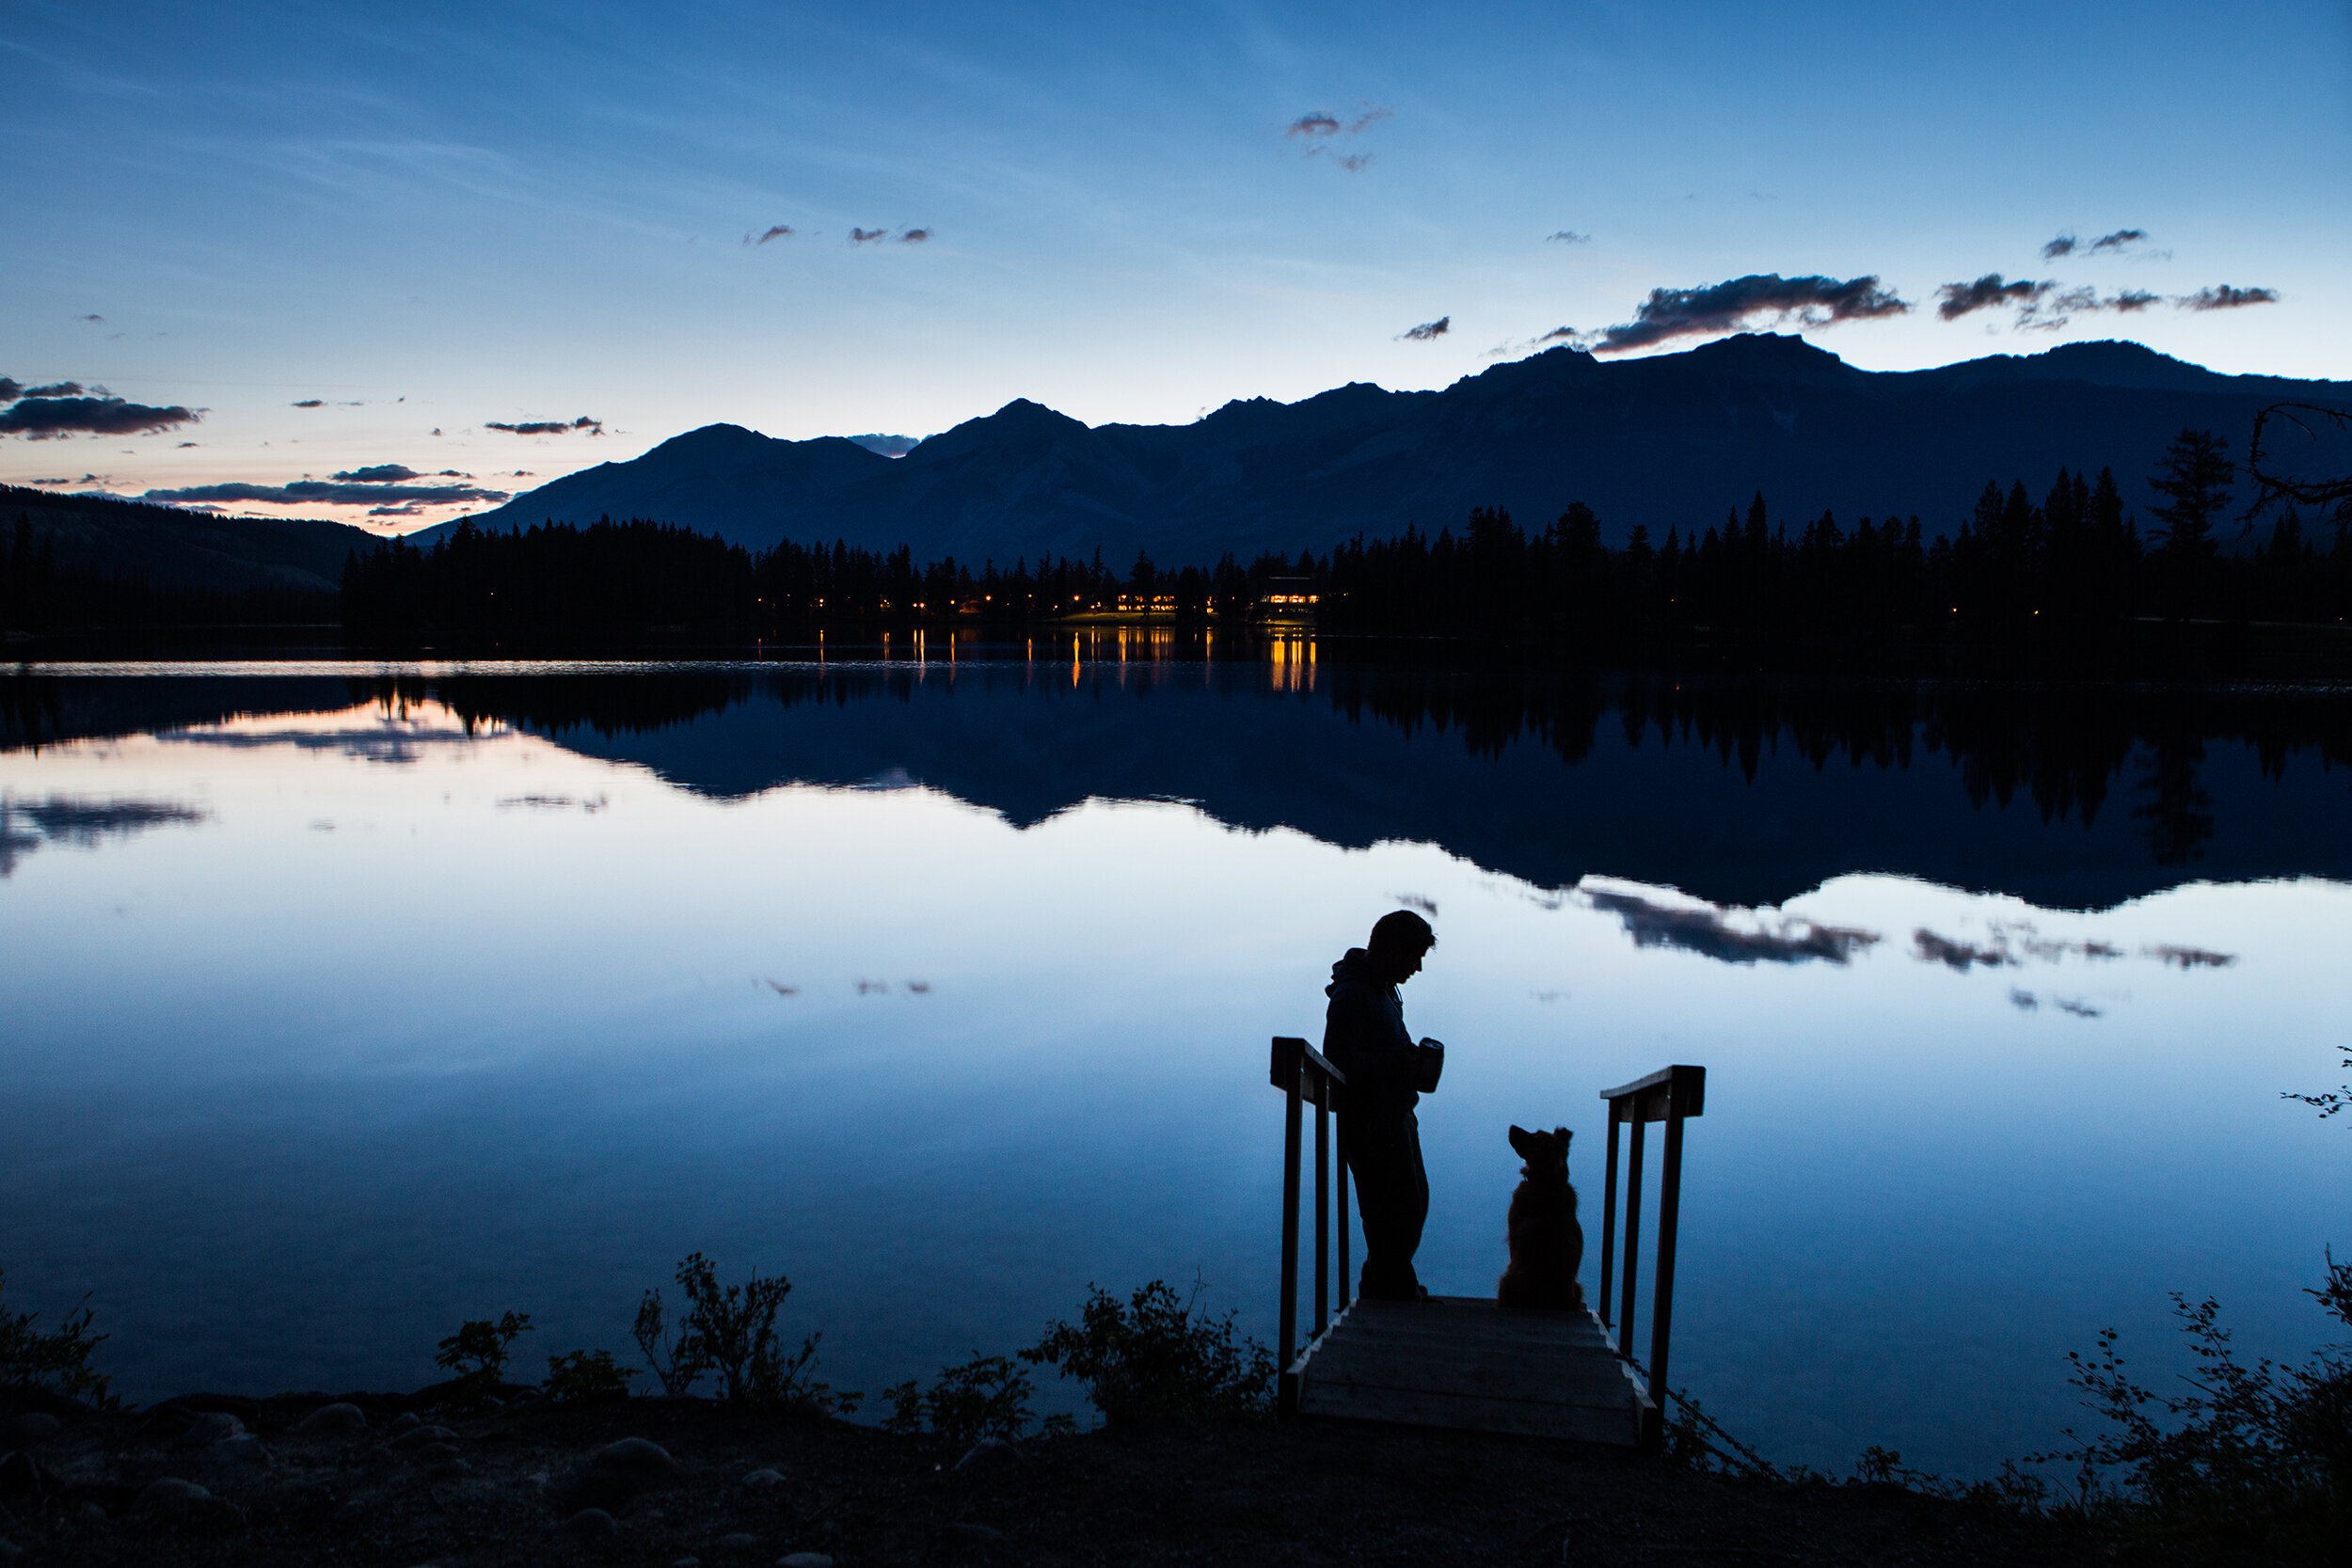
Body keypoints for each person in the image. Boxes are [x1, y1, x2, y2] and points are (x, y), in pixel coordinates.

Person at [1321, 910, 1442, 1301]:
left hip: (1396, 1114)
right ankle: (1385, 1288)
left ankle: (1389, 1283)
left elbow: (1376, 1046)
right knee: (1391, 1211)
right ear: (1391, 951)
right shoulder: (1352, 995)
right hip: (1372, 1124)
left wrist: (1406, 1058)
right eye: (1413, 957)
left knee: (1413, 1203)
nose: (1418, 967)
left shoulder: (1383, 987)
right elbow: (1338, 1062)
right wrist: (1398, 1063)